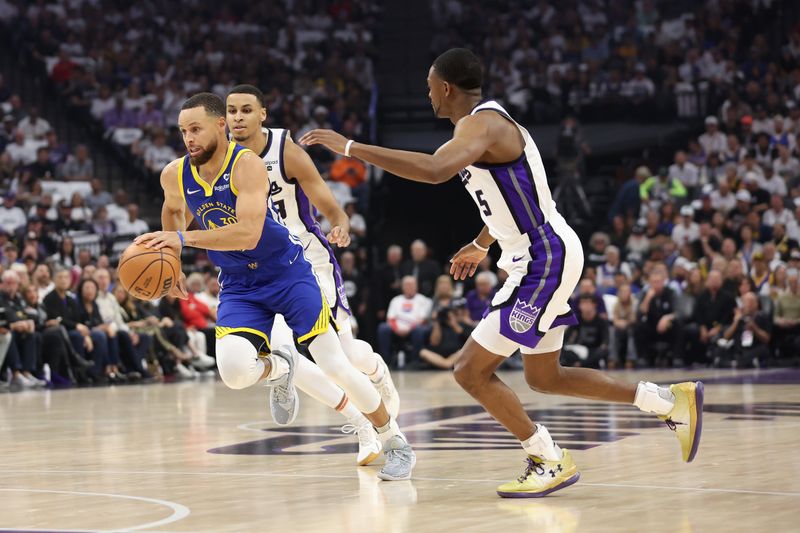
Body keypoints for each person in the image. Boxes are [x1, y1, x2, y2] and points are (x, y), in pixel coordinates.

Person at [301, 48, 703, 497]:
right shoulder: (477, 126)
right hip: (536, 254)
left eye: (429, 86)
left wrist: (351, 148)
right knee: (545, 377)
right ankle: (668, 401)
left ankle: (546, 457)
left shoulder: (483, 123)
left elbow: (435, 170)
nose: (427, 93)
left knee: (469, 371)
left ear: (446, 87)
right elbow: (513, 199)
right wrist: (480, 242)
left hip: (543, 257)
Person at [135, 93, 414, 480]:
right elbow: (173, 209)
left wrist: (184, 241)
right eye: (183, 131)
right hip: (239, 283)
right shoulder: (174, 173)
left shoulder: (248, 165)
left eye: (196, 129)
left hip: (287, 271)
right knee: (233, 372)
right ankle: (280, 367)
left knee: (335, 362)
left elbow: (248, 233)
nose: (189, 138)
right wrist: (173, 261)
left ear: (219, 127)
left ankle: (394, 438)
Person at [226, 85, 400, 466]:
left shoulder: (283, 149)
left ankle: (377, 373)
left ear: (262, 115)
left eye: (245, 110)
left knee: (344, 356)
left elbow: (326, 200)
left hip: (308, 261)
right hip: (262, 271)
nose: (237, 117)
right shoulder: (220, 157)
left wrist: (340, 223)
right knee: (284, 355)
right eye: (231, 111)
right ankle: (360, 422)